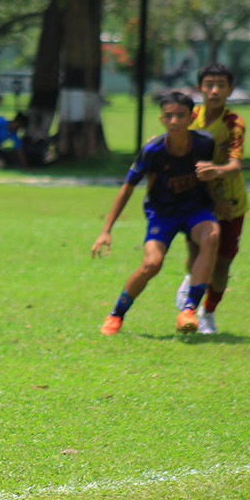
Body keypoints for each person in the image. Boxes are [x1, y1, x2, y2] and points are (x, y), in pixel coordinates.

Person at [91, 90, 220, 335]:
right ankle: (116, 314)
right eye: (169, 116)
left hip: (196, 210)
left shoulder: (204, 143)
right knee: (151, 264)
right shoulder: (152, 150)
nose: (174, 121)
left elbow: (208, 176)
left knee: (211, 237)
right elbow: (127, 188)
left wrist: (217, 200)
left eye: (180, 116)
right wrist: (106, 230)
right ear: (161, 118)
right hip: (163, 214)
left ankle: (189, 309)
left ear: (191, 117)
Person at [173, 64, 248, 334]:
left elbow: (235, 165)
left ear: (229, 89)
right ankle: (191, 294)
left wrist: (214, 170)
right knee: (197, 252)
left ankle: (208, 311)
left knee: (222, 263)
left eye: (220, 85)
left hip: (230, 202)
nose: (214, 90)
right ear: (199, 88)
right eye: (209, 84)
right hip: (198, 199)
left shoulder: (233, 123)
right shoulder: (189, 116)